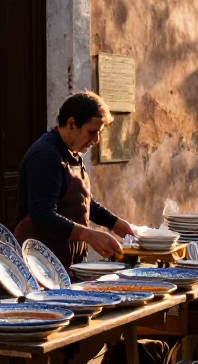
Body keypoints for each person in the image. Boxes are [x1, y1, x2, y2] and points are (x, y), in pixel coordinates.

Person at [15, 91, 136, 269]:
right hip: (40, 265)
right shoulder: (46, 157)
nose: (96, 140)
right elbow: (42, 215)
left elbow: (81, 201)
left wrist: (113, 223)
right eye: (92, 132)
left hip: (65, 262)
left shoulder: (72, 153)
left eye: (99, 133)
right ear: (72, 124)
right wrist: (89, 235)